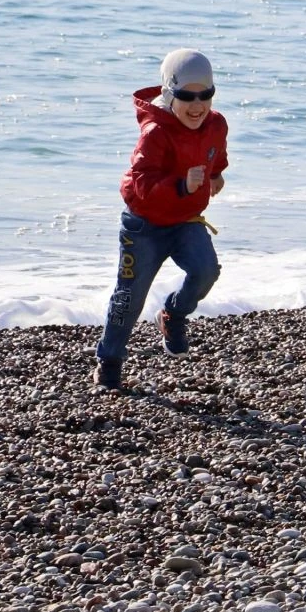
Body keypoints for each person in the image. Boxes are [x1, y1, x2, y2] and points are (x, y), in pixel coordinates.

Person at [93, 49, 229, 390]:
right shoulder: (155, 131)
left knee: (206, 270)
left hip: (186, 221)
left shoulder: (215, 123)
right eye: (187, 96)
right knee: (130, 297)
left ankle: (173, 314)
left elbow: (216, 155)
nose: (197, 105)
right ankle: (109, 360)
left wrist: (216, 176)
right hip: (145, 227)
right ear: (169, 93)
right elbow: (135, 185)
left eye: (205, 95)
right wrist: (181, 184)